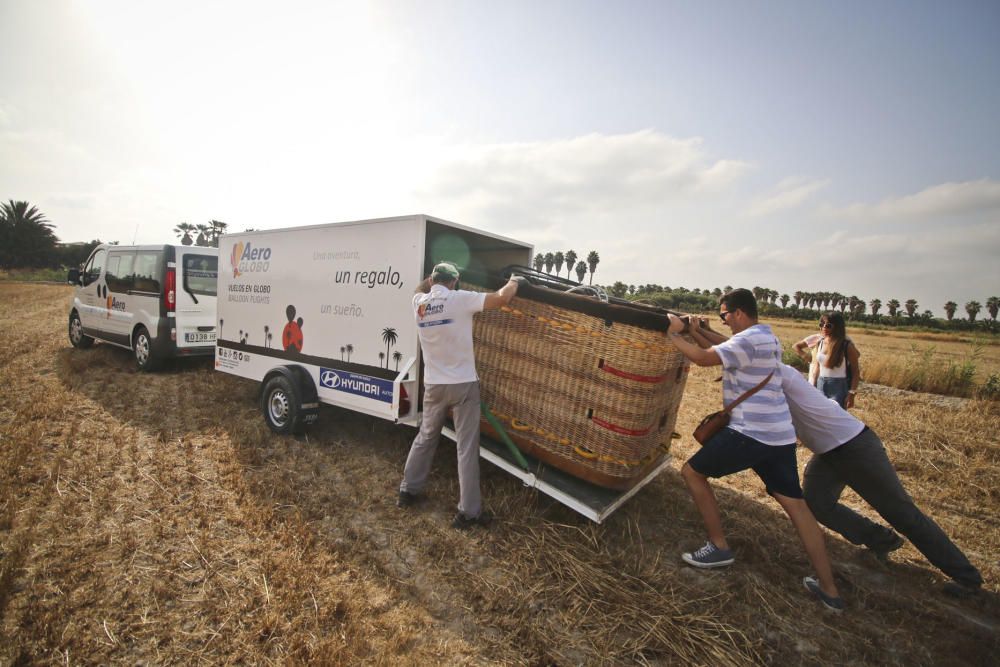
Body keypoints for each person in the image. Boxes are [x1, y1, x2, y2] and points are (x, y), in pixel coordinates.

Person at [667, 289, 843, 612]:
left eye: (725, 316)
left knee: (692, 473)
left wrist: (672, 334)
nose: (725, 322)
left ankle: (719, 546)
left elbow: (707, 357)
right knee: (798, 508)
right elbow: (722, 347)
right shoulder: (767, 338)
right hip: (779, 436)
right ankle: (830, 590)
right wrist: (695, 330)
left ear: (738, 313)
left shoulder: (747, 341)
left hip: (750, 433)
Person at [776, 363, 984, 598]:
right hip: (827, 452)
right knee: (816, 502)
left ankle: (967, 578)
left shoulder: (774, 372)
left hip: (854, 446)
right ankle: (881, 540)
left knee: (902, 514)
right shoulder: (760, 379)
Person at [397, 262, 520, 529]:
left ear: (432, 280)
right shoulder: (460, 300)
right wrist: (515, 280)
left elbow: (418, 290)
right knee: (465, 448)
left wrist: (428, 282)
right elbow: (503, 298)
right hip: (463, 385)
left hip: (434, 386)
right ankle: (468, 512)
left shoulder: (419, 303)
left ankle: (408, 490)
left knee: (426, 436)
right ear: (454, 282)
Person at [793, 311, 860, 408]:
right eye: (822, 324)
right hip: (820, 383)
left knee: (835, 418)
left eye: (828, 325)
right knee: (819, 417)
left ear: (837, 327)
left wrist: (852, 394)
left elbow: (855, 371)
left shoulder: (846, 345)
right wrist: (812, 387)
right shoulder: (819, 342)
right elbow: (817, 367)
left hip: (839, 387)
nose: (824, 327)